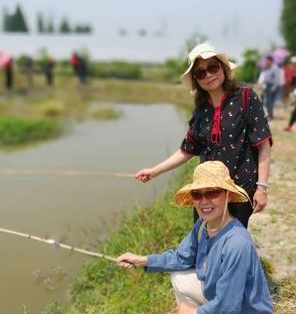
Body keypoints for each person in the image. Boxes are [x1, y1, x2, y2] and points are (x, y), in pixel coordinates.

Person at [136, 43, 272, 229]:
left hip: (240, 188)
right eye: (200, 73)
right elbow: (187, 150)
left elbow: (263, 144)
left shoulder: (246, 98)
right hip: (206, 191)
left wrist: (262, 188)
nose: (208, 74)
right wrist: (154, 171)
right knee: (203, 238)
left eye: (213, 67)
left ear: (223, 68)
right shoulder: (201, 111)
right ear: (196, 80)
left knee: (231, 242)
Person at [118, 161, 274, 314]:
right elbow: (181, 258)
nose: (204, 201)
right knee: (180, 278)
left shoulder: (237, 243)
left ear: (228, 195)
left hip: (244, 309)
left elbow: (229, 306)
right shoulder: (202, 225)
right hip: (222, 299)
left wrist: (193, 312)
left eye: (212, 192)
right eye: (197, 194)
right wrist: (141, 260)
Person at [256, 56, 281, 120]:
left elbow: (277, 79)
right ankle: (269, 115)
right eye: (265, 61)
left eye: (267, 61)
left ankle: (270, 115)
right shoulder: (266, 68)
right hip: (265, 86)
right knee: (266, 101)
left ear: (271, 61)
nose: (266, 62)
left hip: (271, 86)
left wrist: (274, 88)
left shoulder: (275, 68)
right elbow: (263, 77)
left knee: (268, 102)